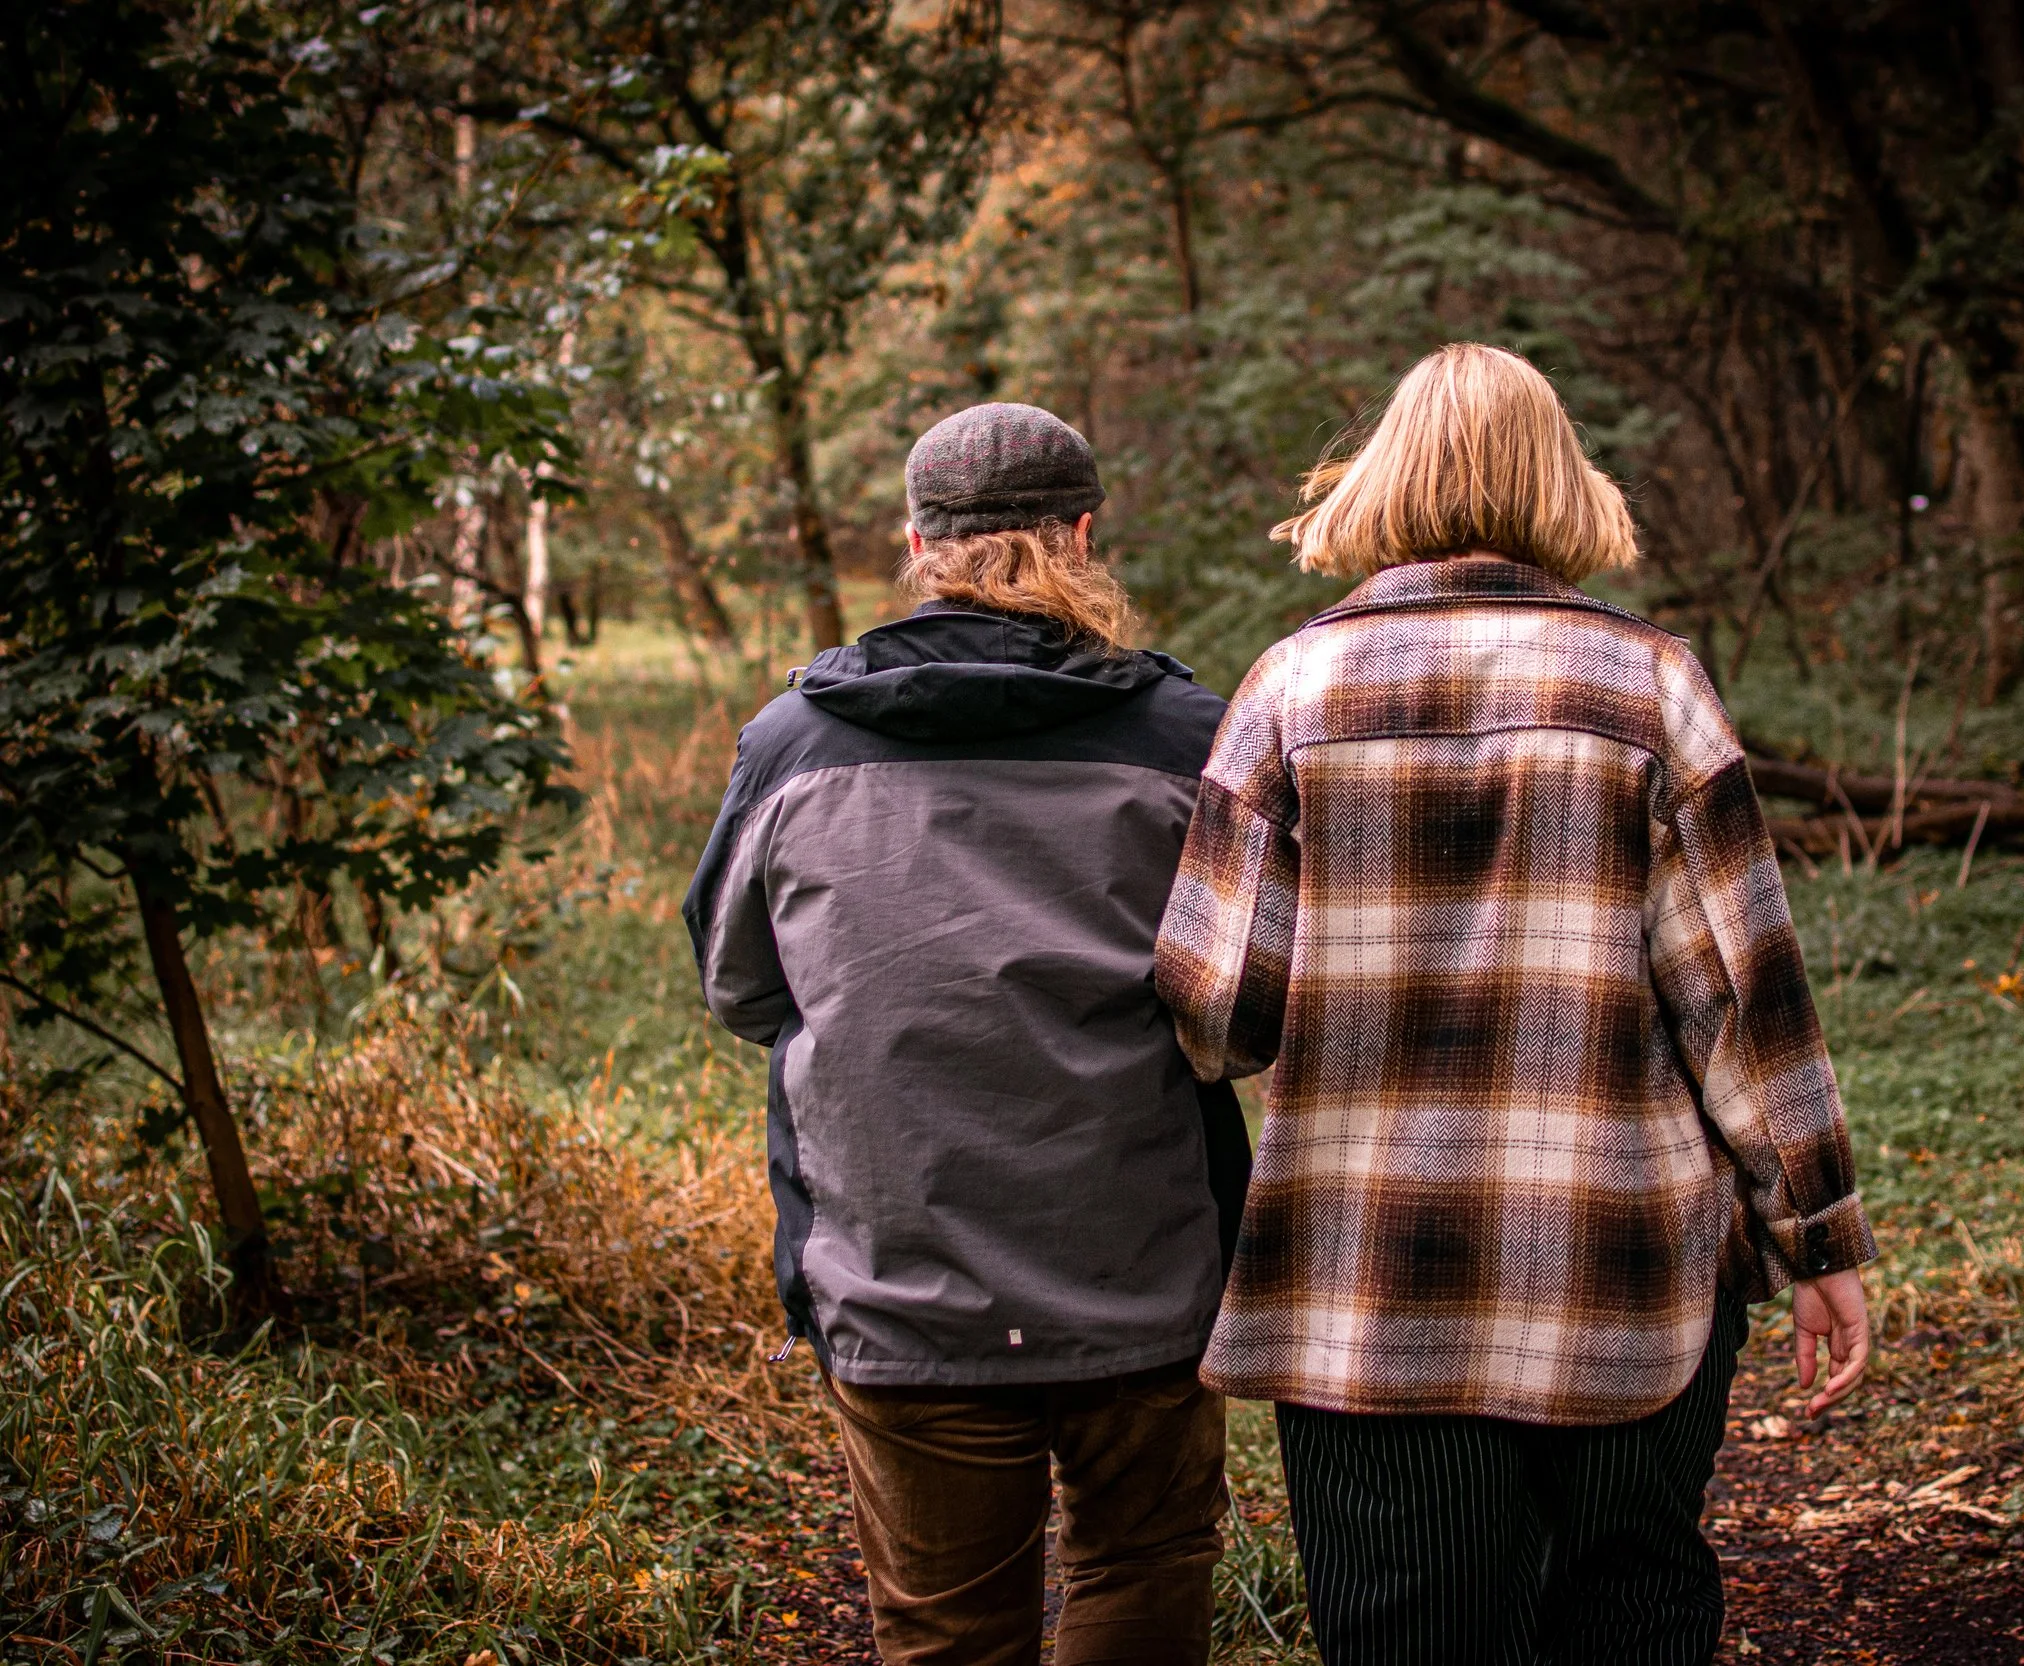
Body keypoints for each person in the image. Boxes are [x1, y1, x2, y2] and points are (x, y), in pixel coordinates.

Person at [1154, 343, 1876, 1666]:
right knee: (1631, 1613)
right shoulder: (1653, 687)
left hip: (1371, 1294)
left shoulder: (1286, 692)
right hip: (1628, 1276)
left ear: (1381, 479)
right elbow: (1743, 1005)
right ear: (1564, 481)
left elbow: (1216, 1018)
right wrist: (1816, 1237)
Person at [685, 401, 1251, 1666]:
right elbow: (1240, 1011)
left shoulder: (794, 746)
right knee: (1143, 1566)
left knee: (943, 1631)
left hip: (900, 1282)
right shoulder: (1186, 741)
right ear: (1085, 532)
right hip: (1141, 1273)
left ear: (917, 541)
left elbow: (740, 990)